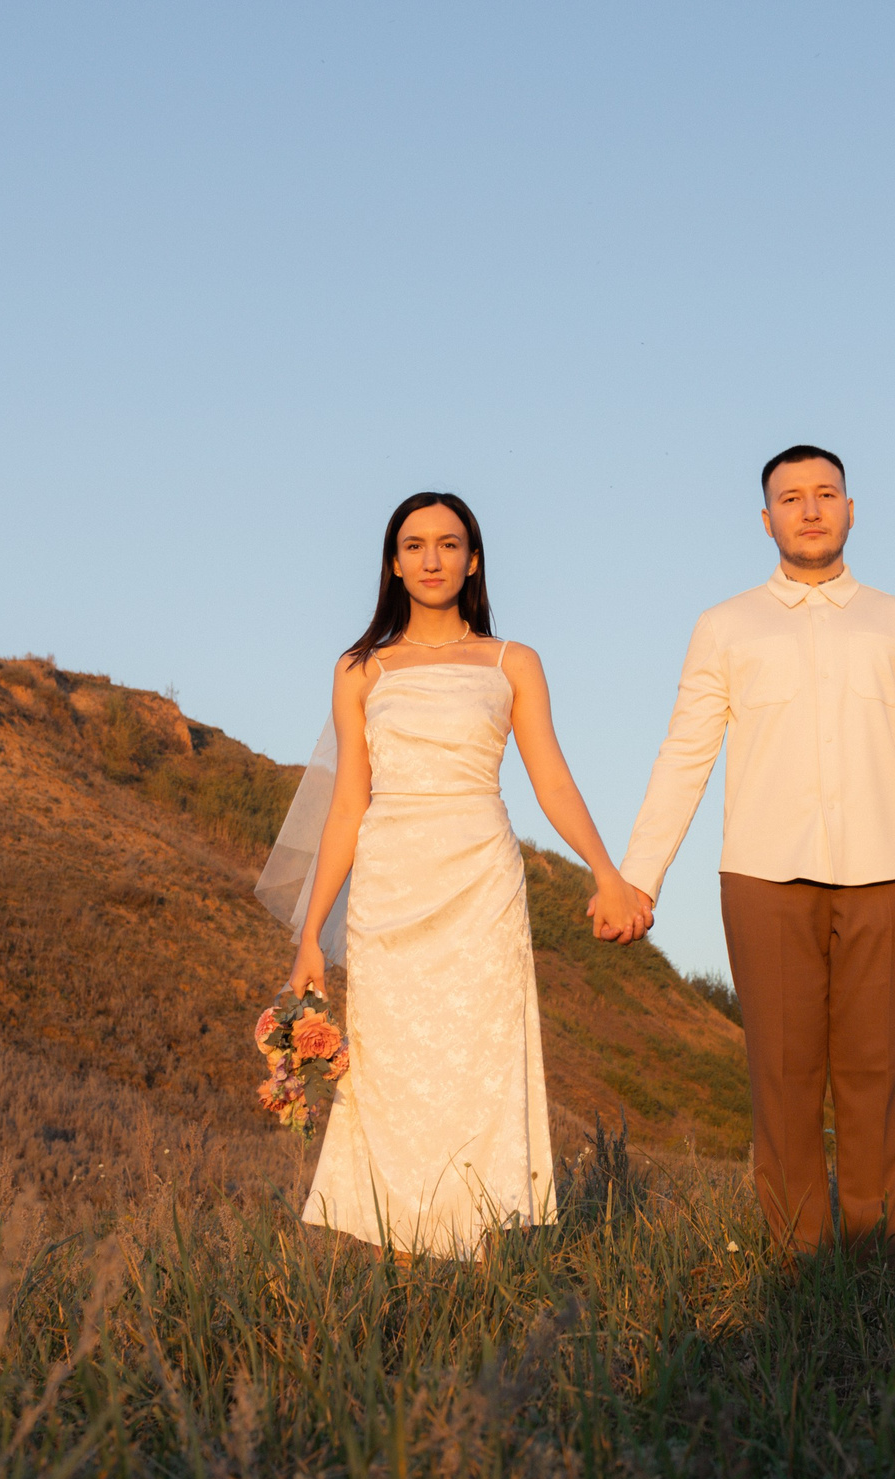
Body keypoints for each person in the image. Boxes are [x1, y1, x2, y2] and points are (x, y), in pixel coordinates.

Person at [264, 490, 650, 1261]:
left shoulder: (512, 662)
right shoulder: (360, 668)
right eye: (413, 545)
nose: (431, 558)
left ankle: (481, 1261)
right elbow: (348, 804)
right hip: (390, 886)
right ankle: (402, 1268)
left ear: (473, 559)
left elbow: (552, 780)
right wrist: (311, 935)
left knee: (482, 1063)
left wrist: (609, 873)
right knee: (394, 1070)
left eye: (448, 544)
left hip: (480, 880)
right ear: (394, 563)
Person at [614, 446, 895, 1252]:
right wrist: (639, 877)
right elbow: (684, 754)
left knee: (877, 1076)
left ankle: (878, 1261)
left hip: (888, 876)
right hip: (762, 876)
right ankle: (799, 1264)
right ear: (765, 518)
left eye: (825, 494)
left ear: (850, 508)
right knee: (783, 1074)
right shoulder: (725, 625)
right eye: (790, 497)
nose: (809, 509)